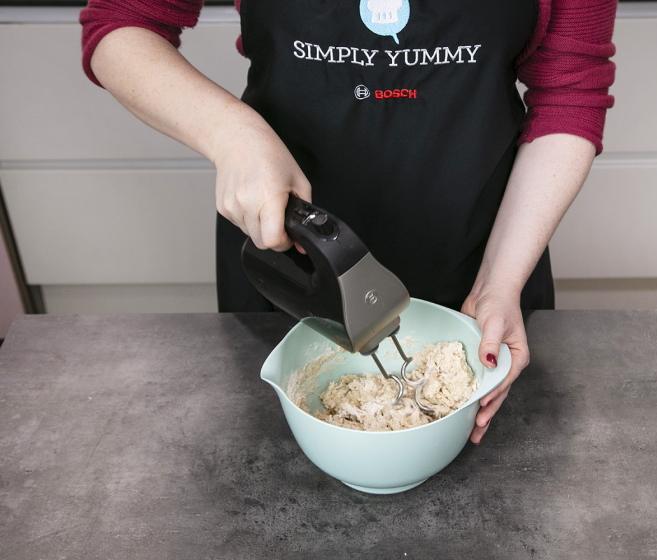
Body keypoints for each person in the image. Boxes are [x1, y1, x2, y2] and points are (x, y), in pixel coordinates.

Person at [80, 0, 617, 444]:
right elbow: (122, 24)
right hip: (290, 256)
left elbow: (570, 90)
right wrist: (232, 134)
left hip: (484, 258)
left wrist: (501, 282)